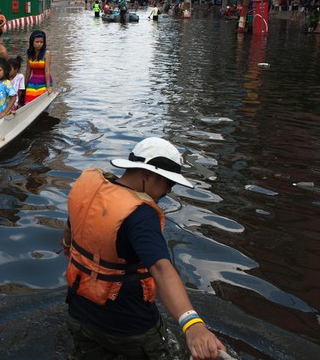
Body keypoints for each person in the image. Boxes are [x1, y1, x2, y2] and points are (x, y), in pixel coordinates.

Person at [63, 137, 227, 360]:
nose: (168, 191)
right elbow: (160, 268)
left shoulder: (90, 189)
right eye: (168, 183)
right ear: (147, 175)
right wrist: (193, 325)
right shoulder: (141, 215)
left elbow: (69, 230)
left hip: (79, 315)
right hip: (130, 327)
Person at [24, 30, 52, 105]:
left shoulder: (47, 53)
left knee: (40, 102)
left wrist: (48, 87)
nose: (39, 44)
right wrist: (25, 84)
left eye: (41, 42)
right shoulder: (29, 53)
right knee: (27, 102)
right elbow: (28, 70)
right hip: (33, 80)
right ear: (32, 42)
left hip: (44, 80)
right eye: (37, 42)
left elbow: (47, 70)